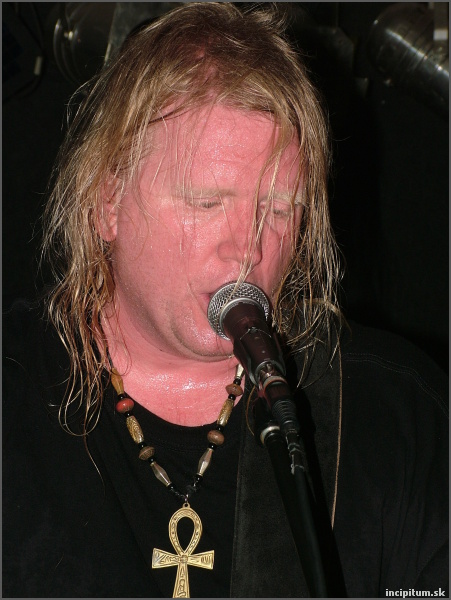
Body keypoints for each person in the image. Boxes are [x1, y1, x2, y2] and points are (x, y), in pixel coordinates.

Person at [3, 3, 448, 598]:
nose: (247, 249)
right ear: (108, 202)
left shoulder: (398, 418)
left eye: (278, 209)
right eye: (207, 202)